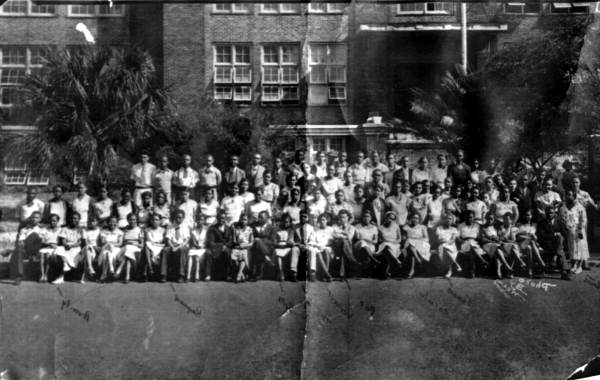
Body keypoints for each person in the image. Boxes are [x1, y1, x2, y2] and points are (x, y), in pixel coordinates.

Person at [559, 189, 588, 275]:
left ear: (574, 197)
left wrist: (579, 229)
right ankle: (573, 265)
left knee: (580, 248)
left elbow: (583, 219)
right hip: (568, 231)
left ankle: (579, 266)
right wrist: (565, 229)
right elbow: (562, 219)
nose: (568, 196)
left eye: (570, 195)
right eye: (567, 195)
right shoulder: (563, 207)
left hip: (578, 230)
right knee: (572, 249)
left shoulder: (580, 207)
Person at [537, 208, 571, 280]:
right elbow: (541, 235)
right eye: (548, 213)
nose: (549, 214)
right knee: (560, 251)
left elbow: (565, 233)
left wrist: (560, 234)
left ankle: (562, 269)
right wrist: (554, 234)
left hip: (557, 244)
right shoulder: (541, 223)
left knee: (560, 238)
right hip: (546, 244)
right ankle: (564, 272)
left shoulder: (559, 222)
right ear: (545, 214)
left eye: (551, 213)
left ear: (554, 214)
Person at [11, 211, 43, 285]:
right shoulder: (24, 229)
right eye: (33, 217)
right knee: (19, 250)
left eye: (36, 218)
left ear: (40, 219)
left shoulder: (42, 229)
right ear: (30, 219)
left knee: (34, 235)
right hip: (25, 249)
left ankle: (9, 251)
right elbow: (20, 241)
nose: (34, 219)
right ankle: (19, 275)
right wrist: (21, 242)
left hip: (36, 249)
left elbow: (43, 239)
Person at [53, 212, 85, 284]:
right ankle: (61, 276)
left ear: (79, 220)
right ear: (70, 219)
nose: (74, 220)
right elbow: (63, 240)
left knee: (75, 253)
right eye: (73, 218)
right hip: (66, 246)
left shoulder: (80, 229)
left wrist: (72, 246)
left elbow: (80, 242)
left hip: (75, 247)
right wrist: (66, 245)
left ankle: (66, 268)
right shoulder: (64, 229)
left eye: (76, 218)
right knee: (58, 250)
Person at [479, 212, 512, 279]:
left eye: (491, 219)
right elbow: (482, 239)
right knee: (497, 248)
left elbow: (499, 237)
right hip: (487, 245)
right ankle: (506, 265)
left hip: (495, 245)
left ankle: (498, 271)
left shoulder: (495, 227)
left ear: (493, 219)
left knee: (498, 250)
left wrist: (497, 239)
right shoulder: (482, 227)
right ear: (485, 218)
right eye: (488, 219)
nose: (490, 220)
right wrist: (491, 239)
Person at [457, 210, 488, 278]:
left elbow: (480, 237)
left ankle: (472, 271)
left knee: (472, 248)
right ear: (465, 217)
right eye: (467, 217)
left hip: (475, 244)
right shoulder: (460, 225)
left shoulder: (477, 226)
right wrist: (462, 241)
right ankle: (482, 261)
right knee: (470, 244)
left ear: (473, 218)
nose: (469, 219)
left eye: (471, 217)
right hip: (464, 243)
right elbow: (457, 237)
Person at [516, 209, 546, 278]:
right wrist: (528, 237)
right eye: (526, 215)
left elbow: (535, 238)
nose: (527, 217)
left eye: (529, 215)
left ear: (531, 216)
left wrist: (533, 236)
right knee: (531, 241)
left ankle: (529, 270)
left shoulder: (534, 226)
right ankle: (540, 261)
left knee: (529, 247)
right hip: (521, 245)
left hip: (531, 245)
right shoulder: (520, 225)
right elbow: (518, 237)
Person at [163, 209, 191, 283]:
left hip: (182, 245)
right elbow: (168, 239)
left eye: (181, 217)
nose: (179, 219)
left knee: (182, 250)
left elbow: (186, 240)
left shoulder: (185, 226)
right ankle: (163, 274)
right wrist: (172, 247)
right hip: (173, 245)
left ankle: (181, 275)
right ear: (175, 218)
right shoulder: (170, 226)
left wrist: (178, 247)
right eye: (177, 217)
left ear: (183, 218)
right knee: (165, 250)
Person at [115, 213, 143, 283]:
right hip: (125, 248)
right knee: (128, 250)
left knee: (128, 251)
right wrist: (128, 243)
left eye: (134, 220)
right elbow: (122, 242)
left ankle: (123, 273)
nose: (132, 221)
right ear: (127, 220)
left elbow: (142, 245)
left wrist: (133, 243)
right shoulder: (125, 229)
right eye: (130, 220)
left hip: (136, 248)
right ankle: (126, 276)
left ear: (137, 220)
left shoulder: (140, 230)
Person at [206, 211, 233, 281]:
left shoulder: (228, 228)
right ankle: (208, 274)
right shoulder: (212, 228)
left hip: (226, 248)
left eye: (223, 218)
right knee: (208, 253)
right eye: (220, 218)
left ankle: (228, 275)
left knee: (227, 252)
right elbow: (211, 242)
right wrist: (221, 246)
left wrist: (225, 246)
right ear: (217, 219)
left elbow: (230, 241)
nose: (222, 220)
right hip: (216, 248)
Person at [331, 210, 359, 280]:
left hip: (346, 246)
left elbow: (350, 237)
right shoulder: (334, 226)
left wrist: (340, 234)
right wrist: (343, 235)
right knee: (343, 242)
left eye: (344, 217)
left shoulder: (352, 227)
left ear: (348, 218)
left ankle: (341, 274)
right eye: (340, 217)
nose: (342, 219)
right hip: (336, 246)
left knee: (344, 244)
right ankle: (353, 261)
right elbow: (333, 236)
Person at [497, 212, 526, 278]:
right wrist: (506, 239)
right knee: (513, 246)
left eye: (508, 219)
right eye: (505, 219)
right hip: (503, 247)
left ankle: (509, 271)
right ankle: (520, 261)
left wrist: (510, 229)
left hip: (511, 247)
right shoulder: (501, 228)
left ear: (511, 220)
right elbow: (500, 239)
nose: (507, 221)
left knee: (513, 247)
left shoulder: (513, 228)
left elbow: (513, 239)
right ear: (503, 220)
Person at [375, 211, 403, 279]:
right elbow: (379, 239)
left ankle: (387, 272)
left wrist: (392, 242)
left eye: (393, 219)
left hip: (395, 244)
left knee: (387, 250)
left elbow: (399, 239)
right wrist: (385, 241)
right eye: (389, 218)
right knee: (386, 247)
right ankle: (396, 261)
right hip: (384, 244)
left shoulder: (396, 226)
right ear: (386, 217)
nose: (390, 220)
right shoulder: (380, 227)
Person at [402, 213, 431, 278]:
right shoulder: (406, 227)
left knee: (411, 247)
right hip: (409, 244)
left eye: (417, 218)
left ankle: (412, 270)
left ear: (419, 220)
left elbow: (426, 237)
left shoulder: (422, 227)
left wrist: (417, 239)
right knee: (410, 243)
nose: (415, 219)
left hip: (421, 243)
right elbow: (404, 238)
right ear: (411, 218)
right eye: (414, 217)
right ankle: (417, 259)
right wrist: (406, 237)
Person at [353, 210, 379, 277]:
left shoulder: (374, 228)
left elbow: (375, 241)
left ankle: (367, 272)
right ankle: (374, 259)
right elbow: (358, 238)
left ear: (371, 218)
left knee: (365, 248)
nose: (366, 218)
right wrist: (366, 240)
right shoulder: (357, 226)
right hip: (359, 245)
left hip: (370, 246)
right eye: (364, 216)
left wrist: (365, 239)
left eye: (368, 216)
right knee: (362, 242)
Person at [249, 210, 275, 281]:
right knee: (257, 248)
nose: (259, 219)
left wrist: (261, 241)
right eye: (259, 217)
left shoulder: (271, 228)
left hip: (267, 248)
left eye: (262, 217)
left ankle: (257, 274)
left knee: (258, 242)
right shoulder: (254, 225)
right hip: (256, 247)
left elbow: (272, 241)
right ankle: (266, 257)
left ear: (267, 218)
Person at [98, 216, 124, 282]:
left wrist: (111, 244)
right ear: (107, 223)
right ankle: (111, 269)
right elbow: (103, 242)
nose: (112, 223)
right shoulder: (103, 231)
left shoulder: (119, 232)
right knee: (107, 252)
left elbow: (120, 243)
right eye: (110, 222)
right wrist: (109, 244)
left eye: (114, 222)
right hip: (106, 247)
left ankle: (104, 274)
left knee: (108, 253)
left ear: (117, 223)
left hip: (116, 248)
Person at [435, 214, 461, 278]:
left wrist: (446, 242)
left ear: (452, 221)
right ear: (444, 220)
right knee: (443, 248)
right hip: (441, 245)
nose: (448, 220)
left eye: (450, 219)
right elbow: (438, 238)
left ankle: (449, 270)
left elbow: (452, 240)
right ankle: (455, 264)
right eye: (447, 218)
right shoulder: (439, 228)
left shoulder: (454, 229)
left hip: (451, 246)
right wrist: (444, 242)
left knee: (445, 248)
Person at [142, 213, 166, 282]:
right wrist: (152, 244)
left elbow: (164, 242)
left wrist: (157, 244)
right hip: (151, 245)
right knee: (147, 246)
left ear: (160, 221)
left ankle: (151, 270)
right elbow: (148, 240)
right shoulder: (147, 230)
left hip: (159, 246)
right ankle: (150, 268)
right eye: (153, 219)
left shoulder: (163, 230)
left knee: (162, 250)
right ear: (151, 221)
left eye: (156, 219)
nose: (154, 221)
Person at [274, 213, 298, 282]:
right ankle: (281, 272)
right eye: (284, 222)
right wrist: (279, 245)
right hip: (279, 246)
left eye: (287, 222)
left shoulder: (291, 229)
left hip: (287, 247)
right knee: (278, 253)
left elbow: (290, 241)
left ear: (290, 222)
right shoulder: (278, 229)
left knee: (291, 251)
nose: (285, 224)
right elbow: (275, 241)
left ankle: (291, 273)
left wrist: (287, 244)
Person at [293, 210, 316, 281]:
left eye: (305, 217)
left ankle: (312, 272)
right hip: (298, 246)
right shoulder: (295, 227)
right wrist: (298, 244)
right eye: (301, 216)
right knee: (294, 250)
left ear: (308, 218)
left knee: (312, 250)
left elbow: (312, 240)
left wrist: (307, 245)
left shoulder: (311, 228)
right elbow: (291, 239)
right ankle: (293, 272)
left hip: (307, 245)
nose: (303, 218)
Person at [230, 213, 254, 283]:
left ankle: (238, 275)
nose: (243, 221)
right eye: (242, 219)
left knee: (243, 255)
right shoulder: (237, 229)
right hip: (238, 246)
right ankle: (242, 275)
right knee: (233, 255)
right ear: (240, 220)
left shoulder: (250, 229)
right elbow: (234, 241)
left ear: (248, 221)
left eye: (245, 220)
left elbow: (251, 243)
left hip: (246, 247)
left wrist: (245, 245)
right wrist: (234, 231)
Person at [312, 214, 334, 281]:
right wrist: (318, 246)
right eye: (320, 220)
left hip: (327, 247)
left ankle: (325, 274)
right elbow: (313, 241)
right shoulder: (316, 230)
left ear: (327, 221)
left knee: (326, 251)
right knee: (318, 253)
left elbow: (331, 241)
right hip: (318, 247)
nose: (322, 221)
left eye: (323, 220)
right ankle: (327, 274)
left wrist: (323, 246)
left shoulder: (330, 229)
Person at [39, 213, 61, 283]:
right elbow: (42, 241)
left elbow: (61, 241)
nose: (52, 222)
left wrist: (54, 245)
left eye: (54, 221)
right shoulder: (45, 229)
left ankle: (46, 275)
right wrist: (49, 244)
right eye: (51, 221)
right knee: (42, 255)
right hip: (46, 246)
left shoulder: (60, 230)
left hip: (55, 248)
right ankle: (42, 275)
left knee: (48, 255)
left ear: (58, 221)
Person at [187, 214, 209, 282]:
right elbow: (193, 241)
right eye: (199, 220)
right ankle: (188, 276)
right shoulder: (193, 230)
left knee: (197, 258)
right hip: (195, 247)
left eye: (202, 220)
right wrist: (196, 245)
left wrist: (202, 246)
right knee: (190, 257)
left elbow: (206, 241)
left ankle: (197, 276)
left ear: (204, 221)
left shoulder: (206, 230)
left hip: (202, 248)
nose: (200, 221)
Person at [81, 216, 101, 283]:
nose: (92, 223)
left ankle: (85, 274)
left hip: (95, 249)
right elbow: (85, 243)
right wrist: (91, 246)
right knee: (88, 248)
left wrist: (96, 248)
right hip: (86, 248)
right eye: (90, 221)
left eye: (94, 221)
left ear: (97, 222)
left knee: (88, 252)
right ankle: (90, 267)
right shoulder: (85, 230)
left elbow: (100, 242)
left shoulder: (99, 230)